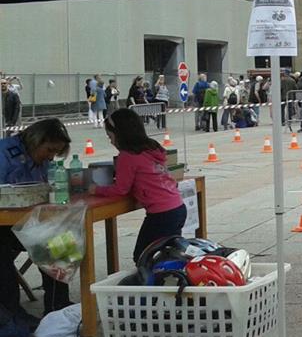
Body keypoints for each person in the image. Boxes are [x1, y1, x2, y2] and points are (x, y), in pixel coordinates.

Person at [0, 119, 73, 324]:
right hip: (3, 224)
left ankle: (57, 303)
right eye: (49, 150)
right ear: (36, 141)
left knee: (58, 240)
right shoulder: (4, 153)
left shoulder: (43, 160)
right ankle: (11, 311)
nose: (50, 157)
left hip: (26, 222)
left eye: (55, 153)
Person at [90, 109, 185, 263]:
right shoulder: (153, 147)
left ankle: (158, 282)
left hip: (161, 214)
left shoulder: (127, 157)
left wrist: (96, 190)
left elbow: (121, 189)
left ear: (120, 134)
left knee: (143, 256)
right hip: (177, 207)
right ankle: (169, 279)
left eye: (111, 137)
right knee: (168, 252)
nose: (111, 142)